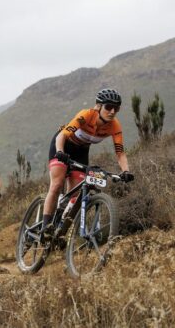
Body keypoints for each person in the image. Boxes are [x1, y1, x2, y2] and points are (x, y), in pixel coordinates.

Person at [42, 88, 134, 237]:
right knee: (57, 184)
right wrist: (60, 152)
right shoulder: (86, 115)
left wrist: (125, 171)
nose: (112, 111)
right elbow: (63, 135)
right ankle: (45, 228)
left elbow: (120, 153)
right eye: (108, 107)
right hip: (63, 145)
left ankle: (60, 226)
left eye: (116, 108)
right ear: (98, 106)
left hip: (81, 152)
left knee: (76, 194)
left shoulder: (114, 126)